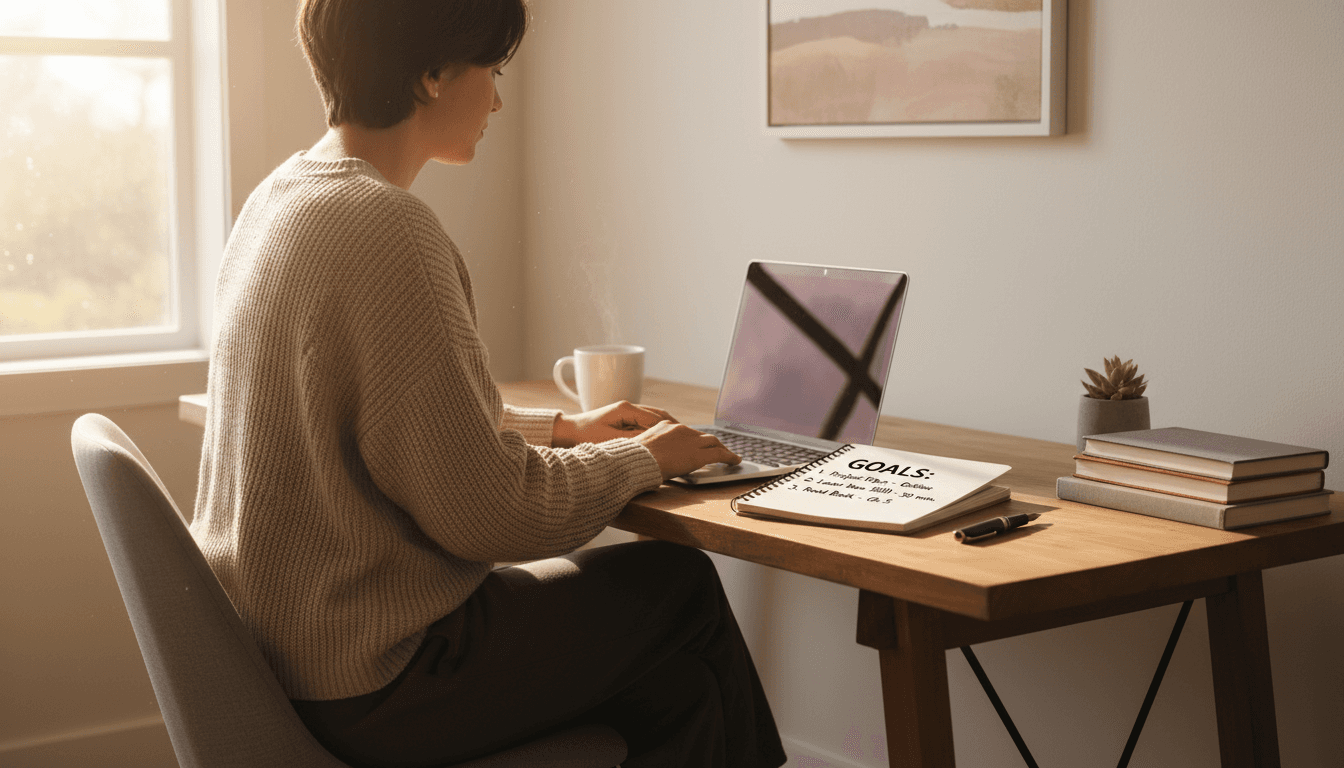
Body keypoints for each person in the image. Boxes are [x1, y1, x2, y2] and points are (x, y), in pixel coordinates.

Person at [189, 0, 788, 766]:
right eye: (493, 70)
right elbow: (491, 514)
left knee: (681, 690)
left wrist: (562, 430)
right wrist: (643, 460)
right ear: (434, 73)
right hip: (379, 680)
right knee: (678, 585)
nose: (499, 100)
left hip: (285, 660)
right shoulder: (386, 228)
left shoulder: (280, 200)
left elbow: (390, 416)